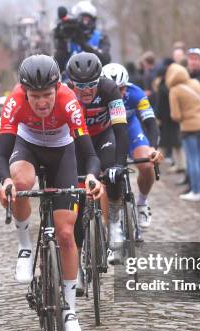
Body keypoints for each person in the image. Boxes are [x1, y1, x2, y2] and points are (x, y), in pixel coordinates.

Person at [0, 55, 102, 331]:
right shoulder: (14, 102)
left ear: (57, 88)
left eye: (47, 95)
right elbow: (1, 155)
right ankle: (25, 248)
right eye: (35, 96)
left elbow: (89, 154)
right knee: (22, 182)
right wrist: (5, 181)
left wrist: (91, 177)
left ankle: (69, 312)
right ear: (24, 92)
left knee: (66, 233)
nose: (42, 102)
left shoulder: (69, 102)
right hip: (27, 146)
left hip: (62, 151)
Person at [65, 52, 130, 265]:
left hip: (103, 136)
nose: (86, 91)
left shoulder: (109, 89)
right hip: (76, 141)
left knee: (112, 172)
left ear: (100, 79)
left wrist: (120, 164)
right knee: (77, 195)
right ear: (71, 82)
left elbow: (120, 128)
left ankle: (113, 223)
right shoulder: (64, 93)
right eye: (80, 86)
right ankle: (78, 254)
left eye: (91, 84)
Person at [100, 63, 163, 228]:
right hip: (109, 133)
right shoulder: (96, 97)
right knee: (106, 175)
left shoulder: (136, 93)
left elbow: (150, 123)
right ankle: (111, 223)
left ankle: (142, 202)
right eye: (114, 89)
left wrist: (153, 149)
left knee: (147, 164)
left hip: (131, 130)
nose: (118, 94)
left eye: (121, 89)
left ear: (126, 86)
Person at [165, 62, 200, 202]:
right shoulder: (196, 82)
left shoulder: (174, 90)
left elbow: (175, 115)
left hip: (189, 129)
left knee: (193, 160)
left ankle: (196, 191)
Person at [54, 1, 111, 72]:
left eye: (86, 19)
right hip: (70, 79)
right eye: (80, 19)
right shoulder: (69, 39)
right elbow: (58, 67)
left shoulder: (101, 37)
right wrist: (61, 41)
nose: (83, 23)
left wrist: (83, 44)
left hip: (96, 80)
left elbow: (105, 60)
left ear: (93, 20)